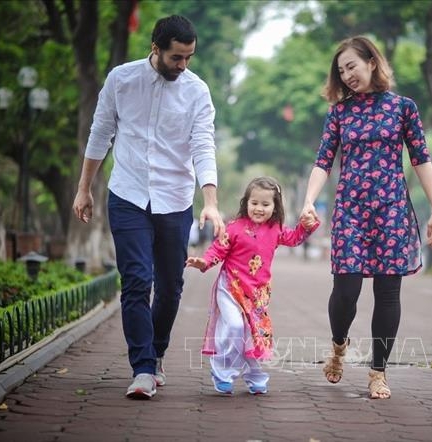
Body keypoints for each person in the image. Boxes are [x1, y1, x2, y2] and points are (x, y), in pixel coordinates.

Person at [72, 15, 225, 399]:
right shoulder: (121, 80)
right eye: (176, 57)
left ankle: (156, 354)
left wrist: (210, 201)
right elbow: (100, 133)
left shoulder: (197, 91)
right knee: (137, 281)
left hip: (175, 199)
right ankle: (141, 367)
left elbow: (203, 146)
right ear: (155, 48)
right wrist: (84, 189)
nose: (183, 65)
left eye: (189, 57)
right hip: (128, 195)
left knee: (170, 287)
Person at [300, 36, 432, 400]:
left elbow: (421, 158)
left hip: (391, 210)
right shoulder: (339, 113)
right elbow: (323, 161)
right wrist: (309, 201)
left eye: (352, 66)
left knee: (388, 292)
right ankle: (339, 345)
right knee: (345, 290)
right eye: (341, 70)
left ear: (372, 63)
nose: (347, 75)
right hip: (350, 210)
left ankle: (378, 372)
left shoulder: (403, 108)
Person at [186, 177, 319, 395]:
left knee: (252, 336)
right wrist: (204, 262)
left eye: (265, 204)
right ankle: (223, 371)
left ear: (275, 206)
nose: (259, 208)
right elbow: (218, 249)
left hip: (257, 295)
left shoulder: (276, 229)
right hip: (230, 288)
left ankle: (255, 375)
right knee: (235, 327)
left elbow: (295, 238)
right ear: (246, 202)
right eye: (254, 203)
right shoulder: (235, 227)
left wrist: (306, 225)